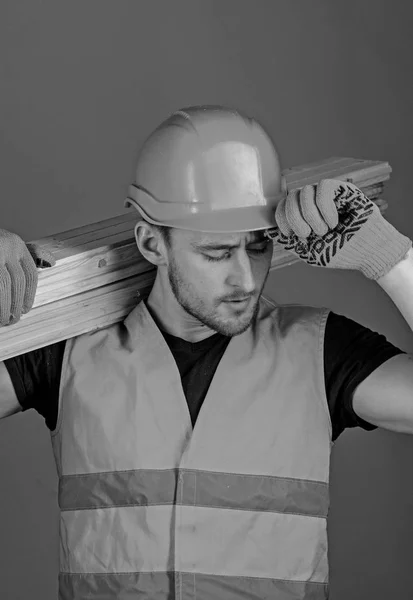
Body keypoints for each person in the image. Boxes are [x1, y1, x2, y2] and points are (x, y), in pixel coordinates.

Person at [0, 105, 413, 600]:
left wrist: (393, 260)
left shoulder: (321, 350)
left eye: (258, 247)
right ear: (152, 243)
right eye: (216, 253)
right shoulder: (65, 352)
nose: (244, 277)